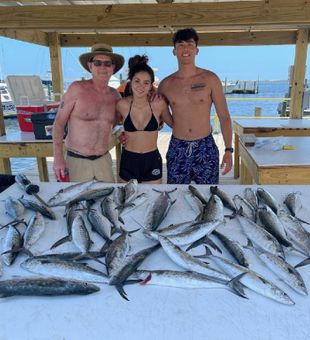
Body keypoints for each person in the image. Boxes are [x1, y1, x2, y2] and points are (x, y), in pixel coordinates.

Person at [158, 28, 233, 184]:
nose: (185, 49)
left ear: (197, 50)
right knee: (176, 196)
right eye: (180, 45)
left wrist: (228, 149)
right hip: (178, 147)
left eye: (190, 44)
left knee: (208, 196)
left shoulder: (210, 79)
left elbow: (224, 117)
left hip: (205, 147)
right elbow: (160, 114)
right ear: (174, 51)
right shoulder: (166, 84)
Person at [52, 43, 124, 182]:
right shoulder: (76, 89)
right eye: (98, 63)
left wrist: (122, 135)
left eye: (107, 63)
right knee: (75, 203)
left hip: (103, 160)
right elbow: (59, 124)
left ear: (113, 68)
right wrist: (58, 158)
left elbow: (117, 124)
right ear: (90, 66)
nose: (103, 67)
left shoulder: (116, 96)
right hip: (76, 160)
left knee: (107, 201)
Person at [116, 55, 172, 184]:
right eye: (137, 81)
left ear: (151, 85)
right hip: (128, 160)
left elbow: (175, 124)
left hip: (151, 160)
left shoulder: (159, 104)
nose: (141, 86)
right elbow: (111, 125)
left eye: (146, 82)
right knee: (126, 202)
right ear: (131, 81)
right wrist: (120, 134)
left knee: (152, 200)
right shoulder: (122, 105)